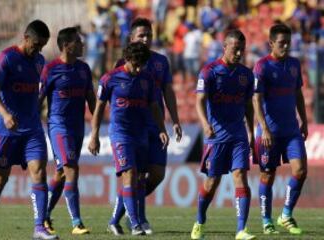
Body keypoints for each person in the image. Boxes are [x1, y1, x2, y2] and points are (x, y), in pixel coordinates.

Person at [0, 20, 58, 240]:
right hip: (7, 130)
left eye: (42, 45)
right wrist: (5, 115)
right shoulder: (7, 57)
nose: (39, 49)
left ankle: (39, 228)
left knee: (39, 172)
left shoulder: (40, 61)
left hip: (32, 128)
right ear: (25, 37)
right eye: (36, 44)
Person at [108, 17, 182, 235]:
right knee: (135, 176)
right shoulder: (122, 64)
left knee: (157, 174)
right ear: (132, 38)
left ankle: (120, 216)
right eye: (141, 35)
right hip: (133, 128)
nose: (146, 38)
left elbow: (167, 91)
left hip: (156, 126)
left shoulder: (161, 62)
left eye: (149, 35)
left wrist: (175, 120)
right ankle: (137, 218)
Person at [88, 42, 169, 236]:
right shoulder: (110, 78)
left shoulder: (147, 80)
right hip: (120, 134)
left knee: (139, 179)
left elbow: (155, 106)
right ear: (127, 59)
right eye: (136, 64)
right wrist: (94, 135)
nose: (139, 68)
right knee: (130, 174)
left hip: (141, 133)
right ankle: (135, 224)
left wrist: (161, 129)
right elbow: (99, 108)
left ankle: (114, 221)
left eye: (142, 64)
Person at [190, 29, 256, 240]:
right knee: (212, 183)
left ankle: (241, 230)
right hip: (216, 136)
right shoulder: (209, 71)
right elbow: (199, 101)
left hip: (238, 134)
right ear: (224, 47)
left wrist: (251, 131)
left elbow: (248, 104)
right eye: (235, 49)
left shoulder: (246, 75)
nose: (239, 54)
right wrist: (205, 124)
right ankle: (200, 221)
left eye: (242, 50)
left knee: (241, 176)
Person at [39, 27, 96, 235]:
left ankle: (43, 215)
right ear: (66, 46)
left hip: (77, 127)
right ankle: (76, 223)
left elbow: (91, 100)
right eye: (78, 41)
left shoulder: (84, 69)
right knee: (71, 169)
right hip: (58, 125)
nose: (82, 44)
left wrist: (96, 129)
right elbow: (39, 98)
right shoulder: (51, 69)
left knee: (62, 173)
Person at [253, 24, 308, 235]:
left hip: (291, 130)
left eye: (288, 42)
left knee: (301, 171)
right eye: (281, 42)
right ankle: (266, 220)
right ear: (271, 43)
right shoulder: (262, 66)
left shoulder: (294, 64)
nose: (285, 46)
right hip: (270, 132)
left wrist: (303, 119)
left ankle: (286, 214)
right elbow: (256, 99)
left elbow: (299, 94)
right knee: (268, 174)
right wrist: (264, 129)